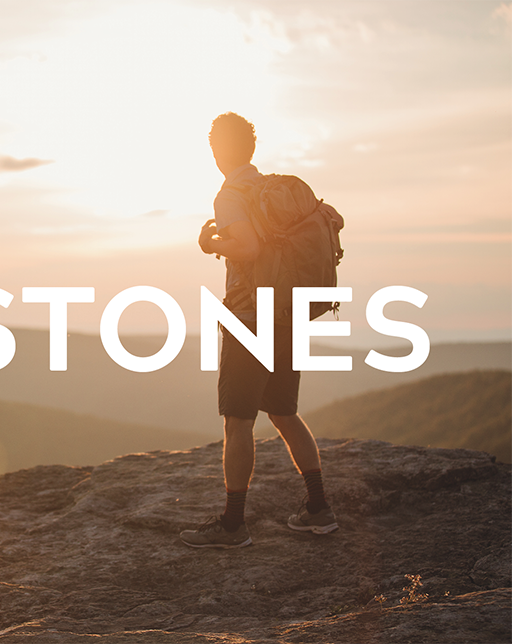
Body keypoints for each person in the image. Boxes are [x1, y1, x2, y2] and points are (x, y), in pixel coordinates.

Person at [180, 112, 338, 549]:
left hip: (249, 317)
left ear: (217, 151)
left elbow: (247, 247)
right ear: (251, 148)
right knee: (285, 413)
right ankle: (318, 509)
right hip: (288, 312)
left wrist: (211, 244)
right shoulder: (274, 190)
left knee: (238, 422)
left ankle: (233, 526)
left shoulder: (231, 194)